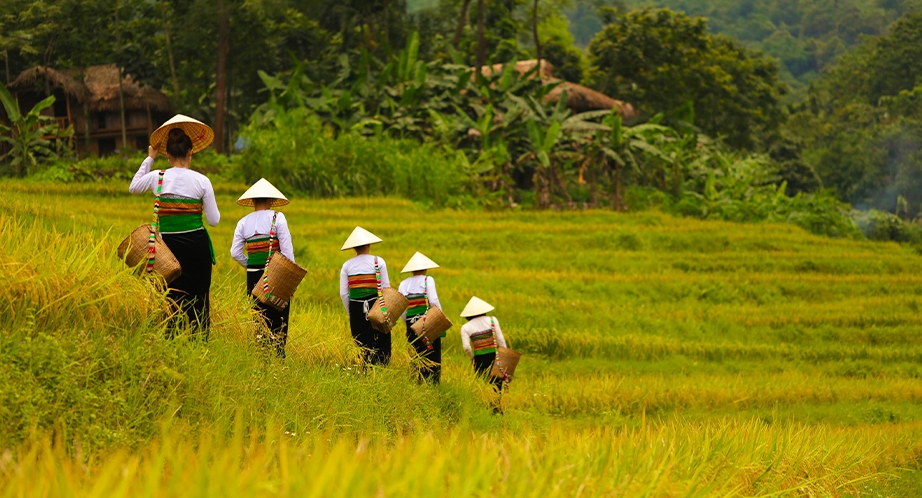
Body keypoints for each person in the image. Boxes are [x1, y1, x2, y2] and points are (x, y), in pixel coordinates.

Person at [129, 114, 219, 339]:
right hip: (197, 249)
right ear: (191, 153)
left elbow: (133, 187)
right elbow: (214, 220)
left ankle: (171, 342)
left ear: (167, 155)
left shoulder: (157, 177)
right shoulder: (202, 181)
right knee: (199, 300)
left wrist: (149, 158)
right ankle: (199, 343)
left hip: (167, 249)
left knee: (170, 299)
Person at [230, 179, 294, 359]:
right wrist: (290, 279)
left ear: (252, 201)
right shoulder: (278, 217)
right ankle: (278, 357)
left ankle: (260, 358)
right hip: (276, 274)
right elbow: (287, 252)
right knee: (279, 318)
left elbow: (235, 252)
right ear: (271, 200)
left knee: (258, 318)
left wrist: (251, 264)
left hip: (253, 277)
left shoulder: (243, 222)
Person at [339, 227, 391, 366]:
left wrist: (351, 311)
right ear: (368, 245)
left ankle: (364, 370)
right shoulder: (378, 261)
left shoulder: (347, 265)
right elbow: (386, 288)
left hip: (356, 307)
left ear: (354, 248)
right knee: (381, 341)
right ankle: (381, 369)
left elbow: (344, 293)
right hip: (376, 305)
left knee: (361, 343)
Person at [398, 252, 443, 384]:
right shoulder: (427, 280)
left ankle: (417, 382)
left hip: (411, 324)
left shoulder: (404, 284)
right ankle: (433, 383)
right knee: (432, 353)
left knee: (415, 353)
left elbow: (400, 307)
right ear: (425, 268)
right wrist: (439, 318)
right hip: (427, 322)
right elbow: (433, 301)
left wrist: (408, 321)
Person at [459, 296, 508, 398]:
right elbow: (501, 340)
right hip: (495, 357)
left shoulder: (465, 327)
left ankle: (486, 406)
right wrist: (504, 355)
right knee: (497, 385)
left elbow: (467, 348)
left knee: (483, 385)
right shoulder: (492, 320)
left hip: (479, 359)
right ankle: (497, 408)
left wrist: (472, 358)